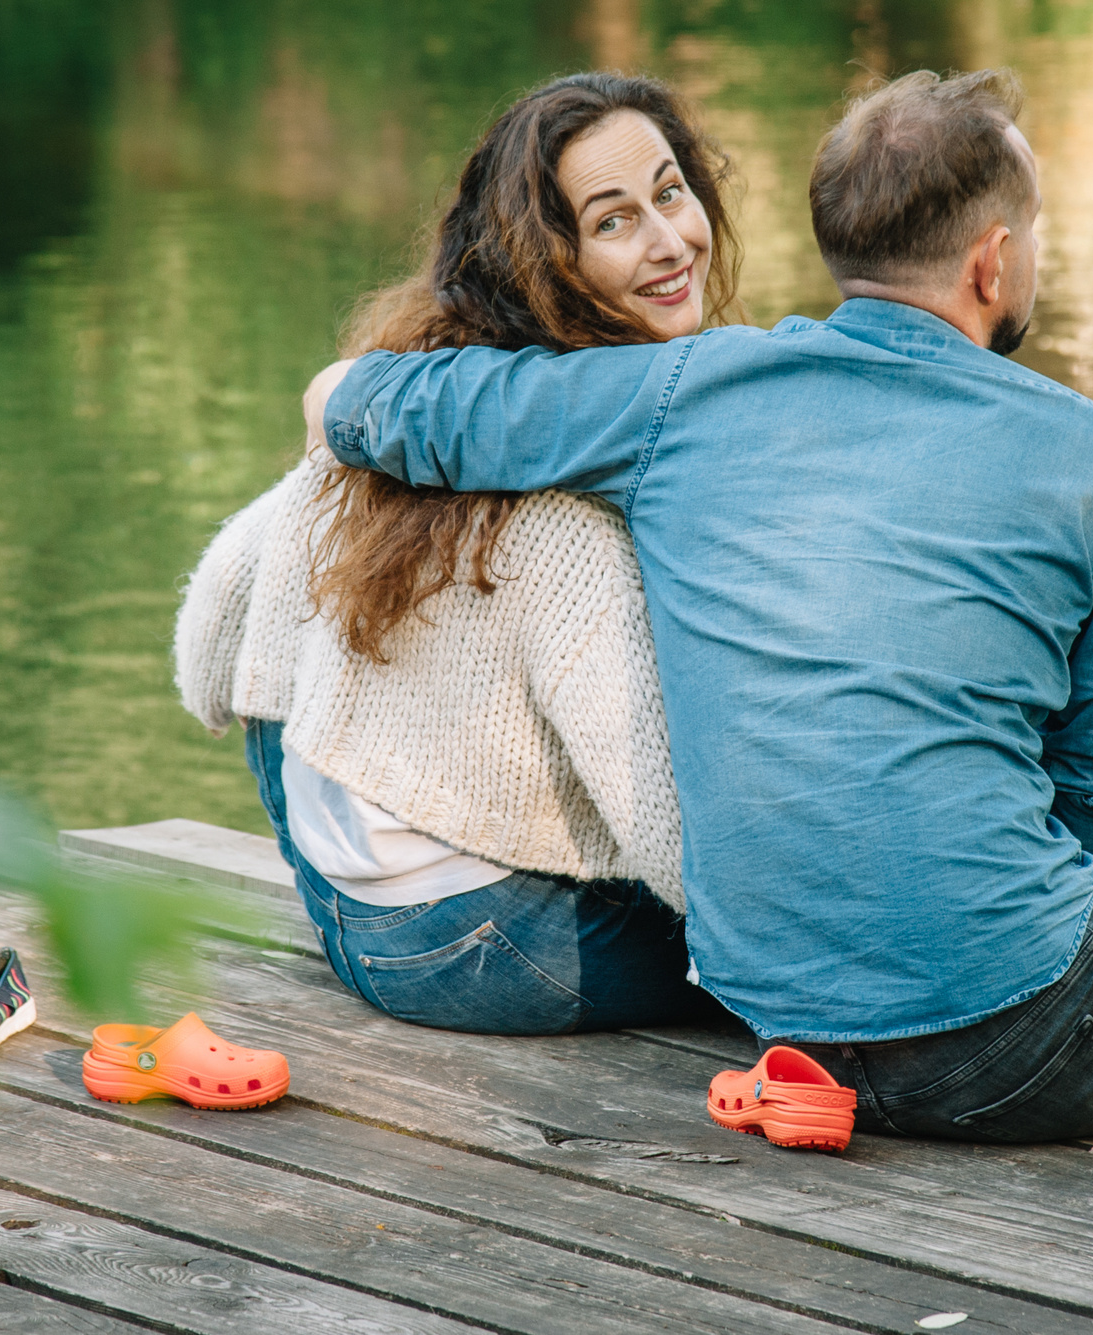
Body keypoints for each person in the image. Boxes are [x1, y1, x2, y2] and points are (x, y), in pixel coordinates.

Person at [304, 68, 1093, 1139]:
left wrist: (337, 394)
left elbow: (373, 405)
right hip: (1001, 1013)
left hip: (781, 1012)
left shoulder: (685, 392)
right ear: (994, 260)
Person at [175, 72, 737, 1035]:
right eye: (612, 222)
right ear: (547, 263)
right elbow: (663, 825)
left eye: (670, 191)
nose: (667, 240)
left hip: (337, 900)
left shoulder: (389, 410)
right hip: (472, 943)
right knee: (768, 950)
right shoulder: (574, 517)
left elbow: (207, 652)